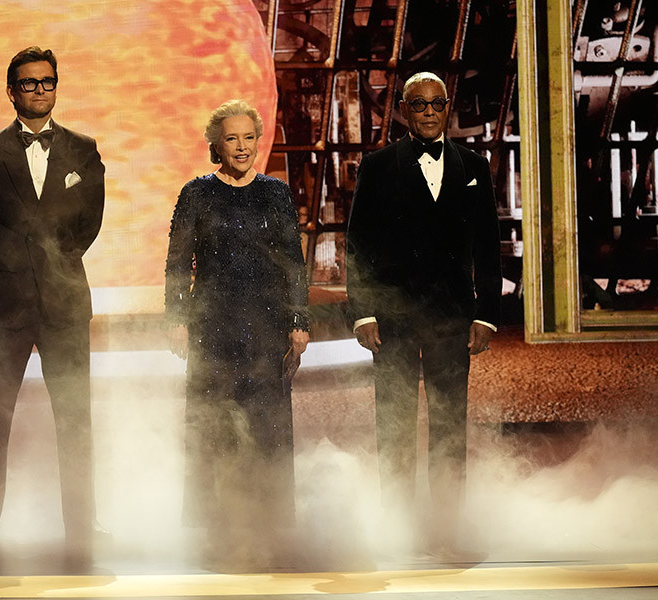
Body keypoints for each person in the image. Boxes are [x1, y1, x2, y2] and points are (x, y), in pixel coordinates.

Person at [0, 46, 106, 565]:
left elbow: (90, 224)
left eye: (46, 82)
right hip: (4, 307)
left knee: (76, 419)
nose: (38, 89)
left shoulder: (83, 150)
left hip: (66, 304)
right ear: (12, 90)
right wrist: (5, 267)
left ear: (56, 86)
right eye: (28, 83)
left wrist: (55, 268)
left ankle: (83, 523)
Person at [346, 72, 501, 557]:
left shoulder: (475, 166)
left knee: (450, 424)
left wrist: (486, 315)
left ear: (447, 107)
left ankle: (447, 530)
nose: (430, 112)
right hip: (391, 317)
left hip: (452, 318)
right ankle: (396, 529)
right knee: (393, 424)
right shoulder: (376, 167)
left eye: (438, 104)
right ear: (404, 110)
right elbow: (359, 246)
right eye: (419, 105)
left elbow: (488, 249)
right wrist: (363, 312)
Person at [165, 99, 310, 565]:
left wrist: (299, 321)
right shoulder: (196, 194)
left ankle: (267, 526)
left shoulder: (276, 193)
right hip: (212, 329)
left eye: (249, 136)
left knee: (267, 428)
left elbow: (293, 262)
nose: (242, 146)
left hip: (267, 329)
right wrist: (176, 320)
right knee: (215, 428)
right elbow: (176, 264)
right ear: (216, 144)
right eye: (232, 137)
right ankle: (218, 529)